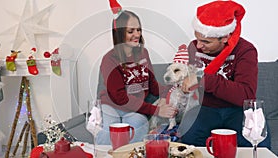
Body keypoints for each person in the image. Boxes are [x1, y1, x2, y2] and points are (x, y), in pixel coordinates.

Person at [180, 1, 271, 148]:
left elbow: (246, 95)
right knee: (187, 140)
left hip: (238, 110)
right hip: (206, 108)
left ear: (225, 38)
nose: (199, 45)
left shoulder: (246, 51)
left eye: (206, 42)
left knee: (258, 139)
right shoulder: (193, 48)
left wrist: (202, 79)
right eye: (197, 38)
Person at [96, 0, 177, 144]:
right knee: (110, 132)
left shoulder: (143, 53)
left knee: (140, 124)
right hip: (112, 106)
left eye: (138, 30)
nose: (137, 34)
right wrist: (156, 110)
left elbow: (152, 85)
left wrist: (168, 93)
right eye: (131, 31)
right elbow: (120, 98)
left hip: (133, 109)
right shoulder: (109, 59)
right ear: (119, 33)